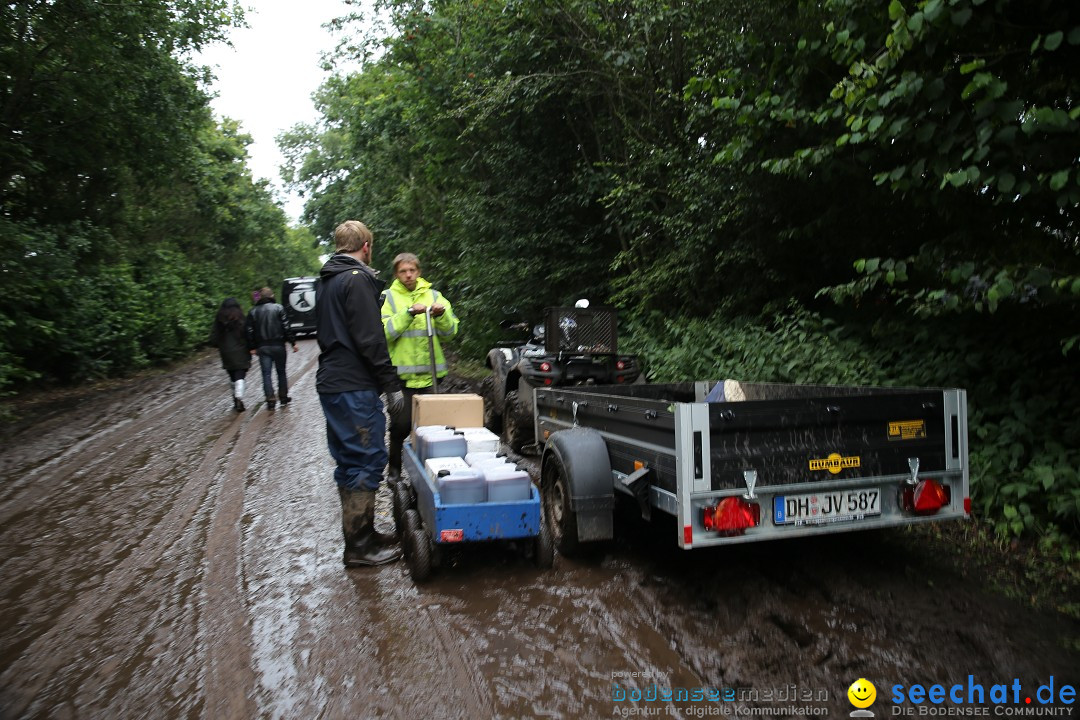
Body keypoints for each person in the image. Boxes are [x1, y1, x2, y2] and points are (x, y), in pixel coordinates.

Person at [316, 220, 405, 567]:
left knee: (349, 461)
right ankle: (360, 546)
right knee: (365, 458)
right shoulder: (356, 279)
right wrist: (391, 385)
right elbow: (370, 338)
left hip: (333, 383)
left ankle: (363, 535)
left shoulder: (327, 280)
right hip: (353, 385)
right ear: (366, 246)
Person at [380, 252, 459, 480]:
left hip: (431, 377)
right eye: (403, 271)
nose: (408, 275)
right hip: (401, 379)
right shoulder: (387, 297)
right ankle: (394, 472)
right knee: (400, 426)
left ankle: (429, 475)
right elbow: (385, 333)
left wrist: (441, 315)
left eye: (412, 270)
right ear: (396, 273)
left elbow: (450, 332)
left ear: (419, 271)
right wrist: (407, 314)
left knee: (432, 429)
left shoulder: (434, 295)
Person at [245, 286, 297, 410]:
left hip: (262, 347)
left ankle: (270, 399)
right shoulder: (279, 308)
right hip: (278, 345)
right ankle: (283, 397)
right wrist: (292, 342)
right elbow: (286, 327)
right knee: (281, 372)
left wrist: (252, 347)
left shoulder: (253, 311)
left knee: (266, 374)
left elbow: (249, 331)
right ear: (271, 296)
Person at [208, 298, 251, 412]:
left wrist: (220, 345)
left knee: (232, 376)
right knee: (240, 375)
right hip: (241, 350)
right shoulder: (241, 318)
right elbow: (247, 333)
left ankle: (236, 401)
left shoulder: (219, 320)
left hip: (225, 352)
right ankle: (239, 396)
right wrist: (251, 346)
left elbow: (213, 338)